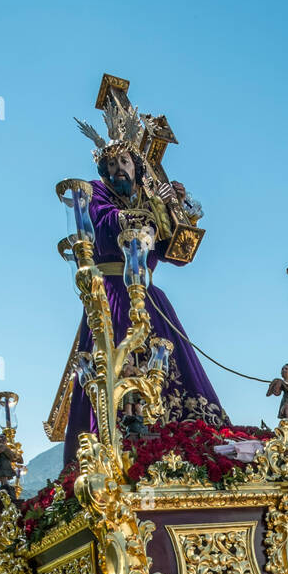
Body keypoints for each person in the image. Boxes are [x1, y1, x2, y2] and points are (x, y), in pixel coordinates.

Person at [63, 144, 226, 467]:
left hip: (149, 298)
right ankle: (113, 453)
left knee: (174, 378)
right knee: (110, 370)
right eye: (110, 164)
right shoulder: (94, 192)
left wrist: (176, 206)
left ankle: (186, 455)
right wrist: (150, 209)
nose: (117, 169)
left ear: (137, 166)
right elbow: (104, 222)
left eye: (123, 161)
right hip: (109, 294)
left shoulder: (149, 198)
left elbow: (178, 254)